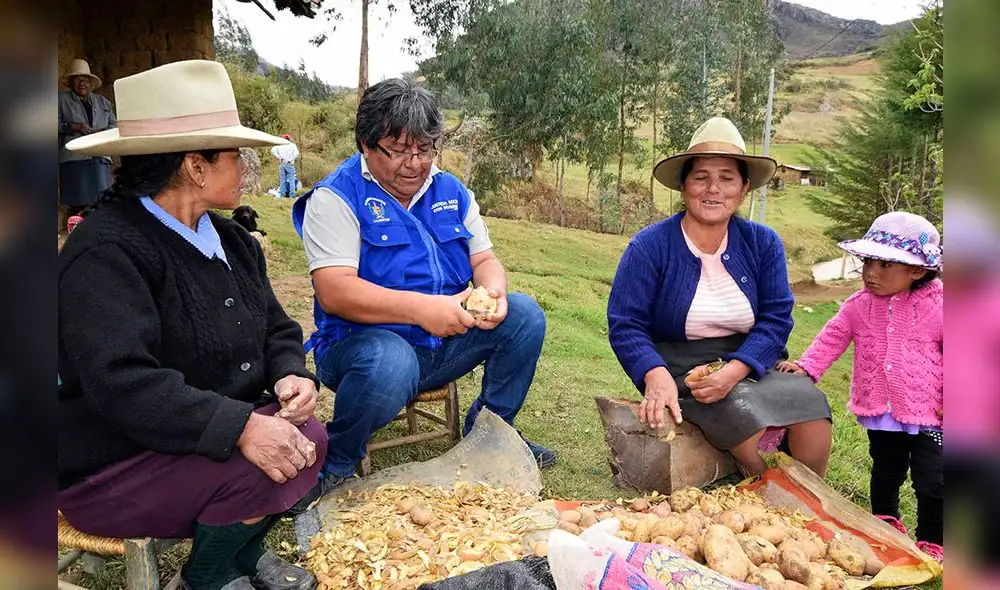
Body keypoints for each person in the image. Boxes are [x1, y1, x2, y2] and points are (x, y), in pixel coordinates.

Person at [59, 60, 324, 590]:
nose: (248, 167)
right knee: (262, 466)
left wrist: (291, 373)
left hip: (197, 437)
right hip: (116, 462)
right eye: (237, 156)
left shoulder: (230, 241)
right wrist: (244, 427)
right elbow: (123, 382)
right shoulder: (107, 252)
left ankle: (239, 558)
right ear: (195, 167)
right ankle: (208, 577)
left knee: (309, 438)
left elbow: (275, 327)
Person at [291, 78, 554, 492]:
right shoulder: (336, 198)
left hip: (441, 345)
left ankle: (491, 433)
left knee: (524, 316)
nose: (414, 164)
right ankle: (337, 463)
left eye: (425, 150)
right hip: (363, 348)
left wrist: (494, 292)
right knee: (391, 361)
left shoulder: (451, 191)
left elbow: (484, 258)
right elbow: (334, 291)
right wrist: (422, 311)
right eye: (398, 151)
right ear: (365, 143)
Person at [607, 117, 833, 478]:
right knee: (741, 416)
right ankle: (771, 491)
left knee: (810, 408)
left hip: (750, 361)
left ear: (744, 188)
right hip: (682, 368)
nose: (713, 188)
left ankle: (811, 496)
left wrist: (738, 368)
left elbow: (776, 319)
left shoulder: (763, 243)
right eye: (701, 177)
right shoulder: (649, 246)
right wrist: (654, 373)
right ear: (684, 186)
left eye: (727, 178)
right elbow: (625, 324)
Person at [778, 211, 944, 562]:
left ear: (917, 270)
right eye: (868, 261)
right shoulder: (859, 306)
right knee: (885, 471)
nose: (871, 272)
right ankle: (885, 523)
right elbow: (831, 339)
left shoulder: (941, 307)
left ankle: (934, 539)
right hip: (881, 411)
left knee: (934, 481)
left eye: (885, 265)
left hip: (932, 414)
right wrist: (807, 366)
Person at [58, 59, 116, 219]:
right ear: (70, 83)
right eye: (77, 80)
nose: (81, 84)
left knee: (101, 201)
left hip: (100, 157)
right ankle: (76, 233)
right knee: (78, 201)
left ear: (90, 83)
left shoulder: (103, 102)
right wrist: (73, 127)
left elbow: (114, 125)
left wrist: (102, 133)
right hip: (75, 158)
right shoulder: (60, 100)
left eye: (85, 80)